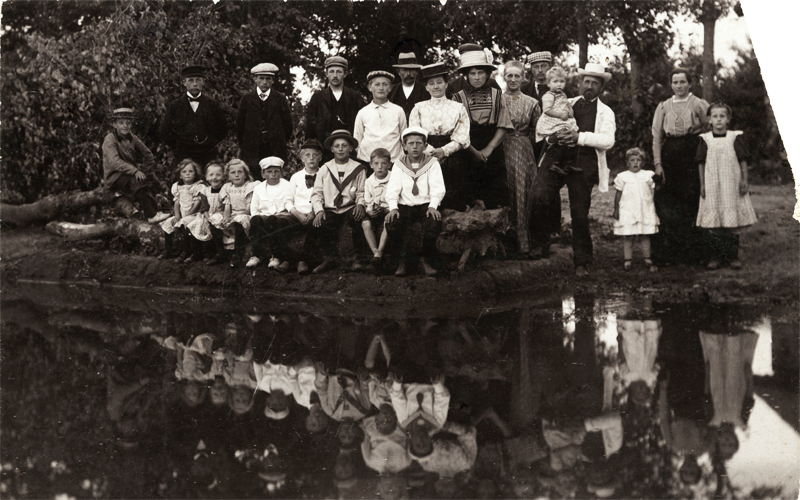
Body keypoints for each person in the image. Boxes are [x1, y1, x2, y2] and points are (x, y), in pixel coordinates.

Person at [529, 62, 616, 277]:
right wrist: (553, 136)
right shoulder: (566, 102)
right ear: (579, 83)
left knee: (579, 212)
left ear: (600, 87)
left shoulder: (606, 112)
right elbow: (544, 126)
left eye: (594, 83)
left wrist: (579, 137)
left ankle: (582, 261)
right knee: (540, 194)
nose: (589, 86)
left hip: (584, 162)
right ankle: (541, 243)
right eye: (586, 81)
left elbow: (607, 141)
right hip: (558, 156)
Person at [651, 68, 710, 265]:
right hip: (670, 154)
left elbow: (710, 126)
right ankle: (671, 254)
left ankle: (693, 254)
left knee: (691, 201)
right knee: (669, 203)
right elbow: (657, 137)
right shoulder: (664, 106)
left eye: (683, 82)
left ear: (690, 84)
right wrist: (658, 164)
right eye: (675, 82)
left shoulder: (698, 103)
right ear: (671, 85)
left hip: (692, 152)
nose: (679, 86)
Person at [696, 102, 757, 270]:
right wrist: (702, 184)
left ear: (728, 119)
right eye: (715, 116)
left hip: (731, 184)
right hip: (712, 184)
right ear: (709, 120)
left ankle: (732, 257)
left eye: (722, 116)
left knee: (732, 223)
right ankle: (715, 257)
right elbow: (700, 163)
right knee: (714, 224)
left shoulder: (734, 137)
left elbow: (742, 159)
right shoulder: (705, 139)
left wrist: (744, 179)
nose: (718, 120)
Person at [452, 44, 513, 209]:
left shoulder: (498, 96)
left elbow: (503, 125)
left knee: (496, 197)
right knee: (470, 194)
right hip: (468, 146)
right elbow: (457, 131)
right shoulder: (457, 98)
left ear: (487, 75)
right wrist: (474, 151)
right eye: (472, 73)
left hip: (493, 147)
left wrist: (489, 149)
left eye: (480, 73)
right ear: (466, 76)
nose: (477, 77)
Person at [409, 62, 471, 211]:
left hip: (452, 155)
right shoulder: (419, 108)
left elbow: (462, 135)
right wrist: (431, 152)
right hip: (425, 152)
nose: (436, 86)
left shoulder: (458, 107)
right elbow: (414, 132)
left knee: (453, 195)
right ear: (426, 87)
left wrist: (444, 151)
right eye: (431, 83)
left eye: (439, 82)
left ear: (446, 84)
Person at [385, 127, 446, 277]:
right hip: (404, 206)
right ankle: (402, 261)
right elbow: (392, 189)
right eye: (410, 143)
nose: (414, 147)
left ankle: (424, 261)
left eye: (419, 143)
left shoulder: (432, 163)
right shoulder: (399, 165)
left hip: (425, 205)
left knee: (432, 225)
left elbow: (438, 187)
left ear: (425, 146)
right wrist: (393, 208)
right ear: (404, 146)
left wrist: (433, 206)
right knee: (392, 225)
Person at [309, 129, 368, 273]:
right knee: (321, 222)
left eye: (344, 145)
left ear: (351, 148)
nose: (340, 149)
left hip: (349, 207)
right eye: (337, 146)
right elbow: (316, 194)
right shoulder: (325, 169)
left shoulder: (359, 168)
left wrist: (360, 204)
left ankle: (358, 259)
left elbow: (362, 191)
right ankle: (329, 259)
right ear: (332, 149)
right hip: (330, 208)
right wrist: (319, 210)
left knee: (358, 219)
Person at [102, 107, 168, 223]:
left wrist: (144, 171)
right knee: (137, 181)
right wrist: (135, 171)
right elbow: (114, 161)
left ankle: (157, 209)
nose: (125, 126)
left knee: (151, 179)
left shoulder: (132, 138)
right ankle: (151, 215)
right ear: (114, 124)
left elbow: (148, 155)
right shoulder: (109, 140)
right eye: (121, 123)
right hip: (115, 177)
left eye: (128, 122)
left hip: (128, 175)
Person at [501, 61, 539, 255]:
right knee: (504, 191)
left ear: (523, 78)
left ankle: (524, 243)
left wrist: (524, 144)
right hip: (500, 149)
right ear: (504, 77)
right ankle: (504, 244)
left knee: (523, 192)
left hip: (523, 150)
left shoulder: (532, 102)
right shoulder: (498, 99)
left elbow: (537, 131)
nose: (513, 80)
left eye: (517, 76)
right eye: (510, 76)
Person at [161, 65, 227, 171]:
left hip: (207, 155)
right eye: (191, 80)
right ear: (184, 83)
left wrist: (210, 143)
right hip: (184, 156)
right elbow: (165, 131)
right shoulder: (175, 105)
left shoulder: (212, 104)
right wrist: (178, 148)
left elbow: (222, 129)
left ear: (203, 82)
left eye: (198, 80)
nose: (195, 84)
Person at [236, 63, 294, 181]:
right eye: (261, 78)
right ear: (255, 79)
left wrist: (277, 139)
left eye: (268, 78)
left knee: (273, 180)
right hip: (252, 150)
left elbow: (288, 126)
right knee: (254, 180)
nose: (264, 82)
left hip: (274, 149)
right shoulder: (247, 99)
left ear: (273, 80)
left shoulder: (280, 99)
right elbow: (239, 127)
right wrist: (247, 145)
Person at [613, 148, 659, 271]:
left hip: (644, 209)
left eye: (638, 160)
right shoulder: (622, 176)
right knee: (628, 236)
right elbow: (618, 194)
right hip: (628, 210)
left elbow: (654, 190)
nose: (635, 163)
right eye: (632, 160)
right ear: (627, 162)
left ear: (643, 163)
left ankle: (647, 258)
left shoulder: (648, 175)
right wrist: (616, 209)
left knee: (645, 235)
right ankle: (628, 260)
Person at [247, 157, 296, 272]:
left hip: (283, 215)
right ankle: (256, 255)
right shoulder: (258, 188)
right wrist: (258, 218)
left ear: (282, 172)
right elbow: (254, 209)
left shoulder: (288, 186)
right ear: (263, 174)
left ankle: (275, 256)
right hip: (265, 215)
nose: (273, 174)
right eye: (269, 172)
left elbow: (290, 204)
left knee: (272, 219)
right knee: (255, 220)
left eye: (276, 171)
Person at [305, 56, 366, 146]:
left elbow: (363, 124)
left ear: (345, 74)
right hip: (324, 148)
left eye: (339, 72)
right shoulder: (318, 97)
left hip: (349, 147)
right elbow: (310, 126)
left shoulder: (355, 97)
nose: (335, 75)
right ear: (326, 74)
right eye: (331, 71)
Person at [159, 159, 212, 263]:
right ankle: (168, 250)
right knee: (167, 224)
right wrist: (177, 215)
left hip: (194, 214)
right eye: (184, 172)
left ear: (195, 173)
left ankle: (185, 251)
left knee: (185, 224)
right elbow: (177, 202)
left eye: (190, 171)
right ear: (180, 175)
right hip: (182, 214)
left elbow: (198, 203)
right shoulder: (178, 187)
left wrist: (187, 215)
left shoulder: (198, 186)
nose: (187, 174)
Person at [354, 70, 408, 163]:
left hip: (394, 161)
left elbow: (404, 137)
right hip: (368, 161)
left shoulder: (398, 110)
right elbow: (357, 139)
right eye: (377, 84)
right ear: (370, 87)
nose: (381, 88)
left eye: (385, 84)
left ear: (390, 88)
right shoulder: (363, 112)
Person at [288, 139, 324, 275]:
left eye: (315, 155)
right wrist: (297, 214)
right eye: (307, 155)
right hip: (297, 214)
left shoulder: (325, 175)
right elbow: (288, 200)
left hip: (314, 212)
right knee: (280, 225)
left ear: (320, 157)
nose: (311, 158)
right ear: (302, 158)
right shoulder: (295, 177)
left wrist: (315, 212)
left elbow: (326, 197)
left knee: (315, 226)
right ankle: (287, 259)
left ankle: (303, 260)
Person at [536, 66, 580, 175]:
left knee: (570, 137)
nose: (559, 84)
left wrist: (570, 111)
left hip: (562, 120)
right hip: (552, 120)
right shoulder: (548, 96)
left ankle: (568, 163)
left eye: (562, 81)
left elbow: (567, 105)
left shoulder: (563, 94)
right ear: (548, 83)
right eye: (555, 81)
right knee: (560, 137)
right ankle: (555, 162)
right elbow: (547, 110)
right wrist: (560, 115)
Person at [216, 159, 258, 267]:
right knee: (216, 220)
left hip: (246, 214)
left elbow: (249, 208)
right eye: (233, 173)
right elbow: (227, 206)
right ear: (228, 176)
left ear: (245, 174)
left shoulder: (249, 187)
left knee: (239, 221)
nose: (236, 175)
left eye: (240, 172)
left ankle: (238, 255)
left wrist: (236, 217)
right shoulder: (227, 188)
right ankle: (220, 253)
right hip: (232, 215)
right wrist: (226, 218)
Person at [362, 148, 392, 265]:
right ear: (371, 165)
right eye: (376, 163)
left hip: (388, 209)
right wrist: (370, 211)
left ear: (389, 165)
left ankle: (381, 250)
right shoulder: (369, 181)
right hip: (374, 211)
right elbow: (367, 199)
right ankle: (375, 252)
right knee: (365, 223)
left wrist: (387, 209)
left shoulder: (393, 179)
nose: (380, 167)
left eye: (383, 163)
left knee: (388, 221)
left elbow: (396, 197)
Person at [388, 52, 430, 120]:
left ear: (416, 71)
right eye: (404, 70)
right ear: (398, 72)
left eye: (411, 70)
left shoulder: (426, 90)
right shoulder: (391, 91)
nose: (408, 73)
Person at [202, 161, 227, 265]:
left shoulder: (225, 190)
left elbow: (227, 206)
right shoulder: (205, 191)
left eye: (218, 174)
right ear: (207, 177)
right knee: (200, 225)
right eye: (211, 175)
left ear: (223, 176)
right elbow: (204, 208)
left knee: (216, 224)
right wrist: (208, 217)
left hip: (222, 214)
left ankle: (220, 253)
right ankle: (208, 253)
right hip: (208, 215)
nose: (214, 177)